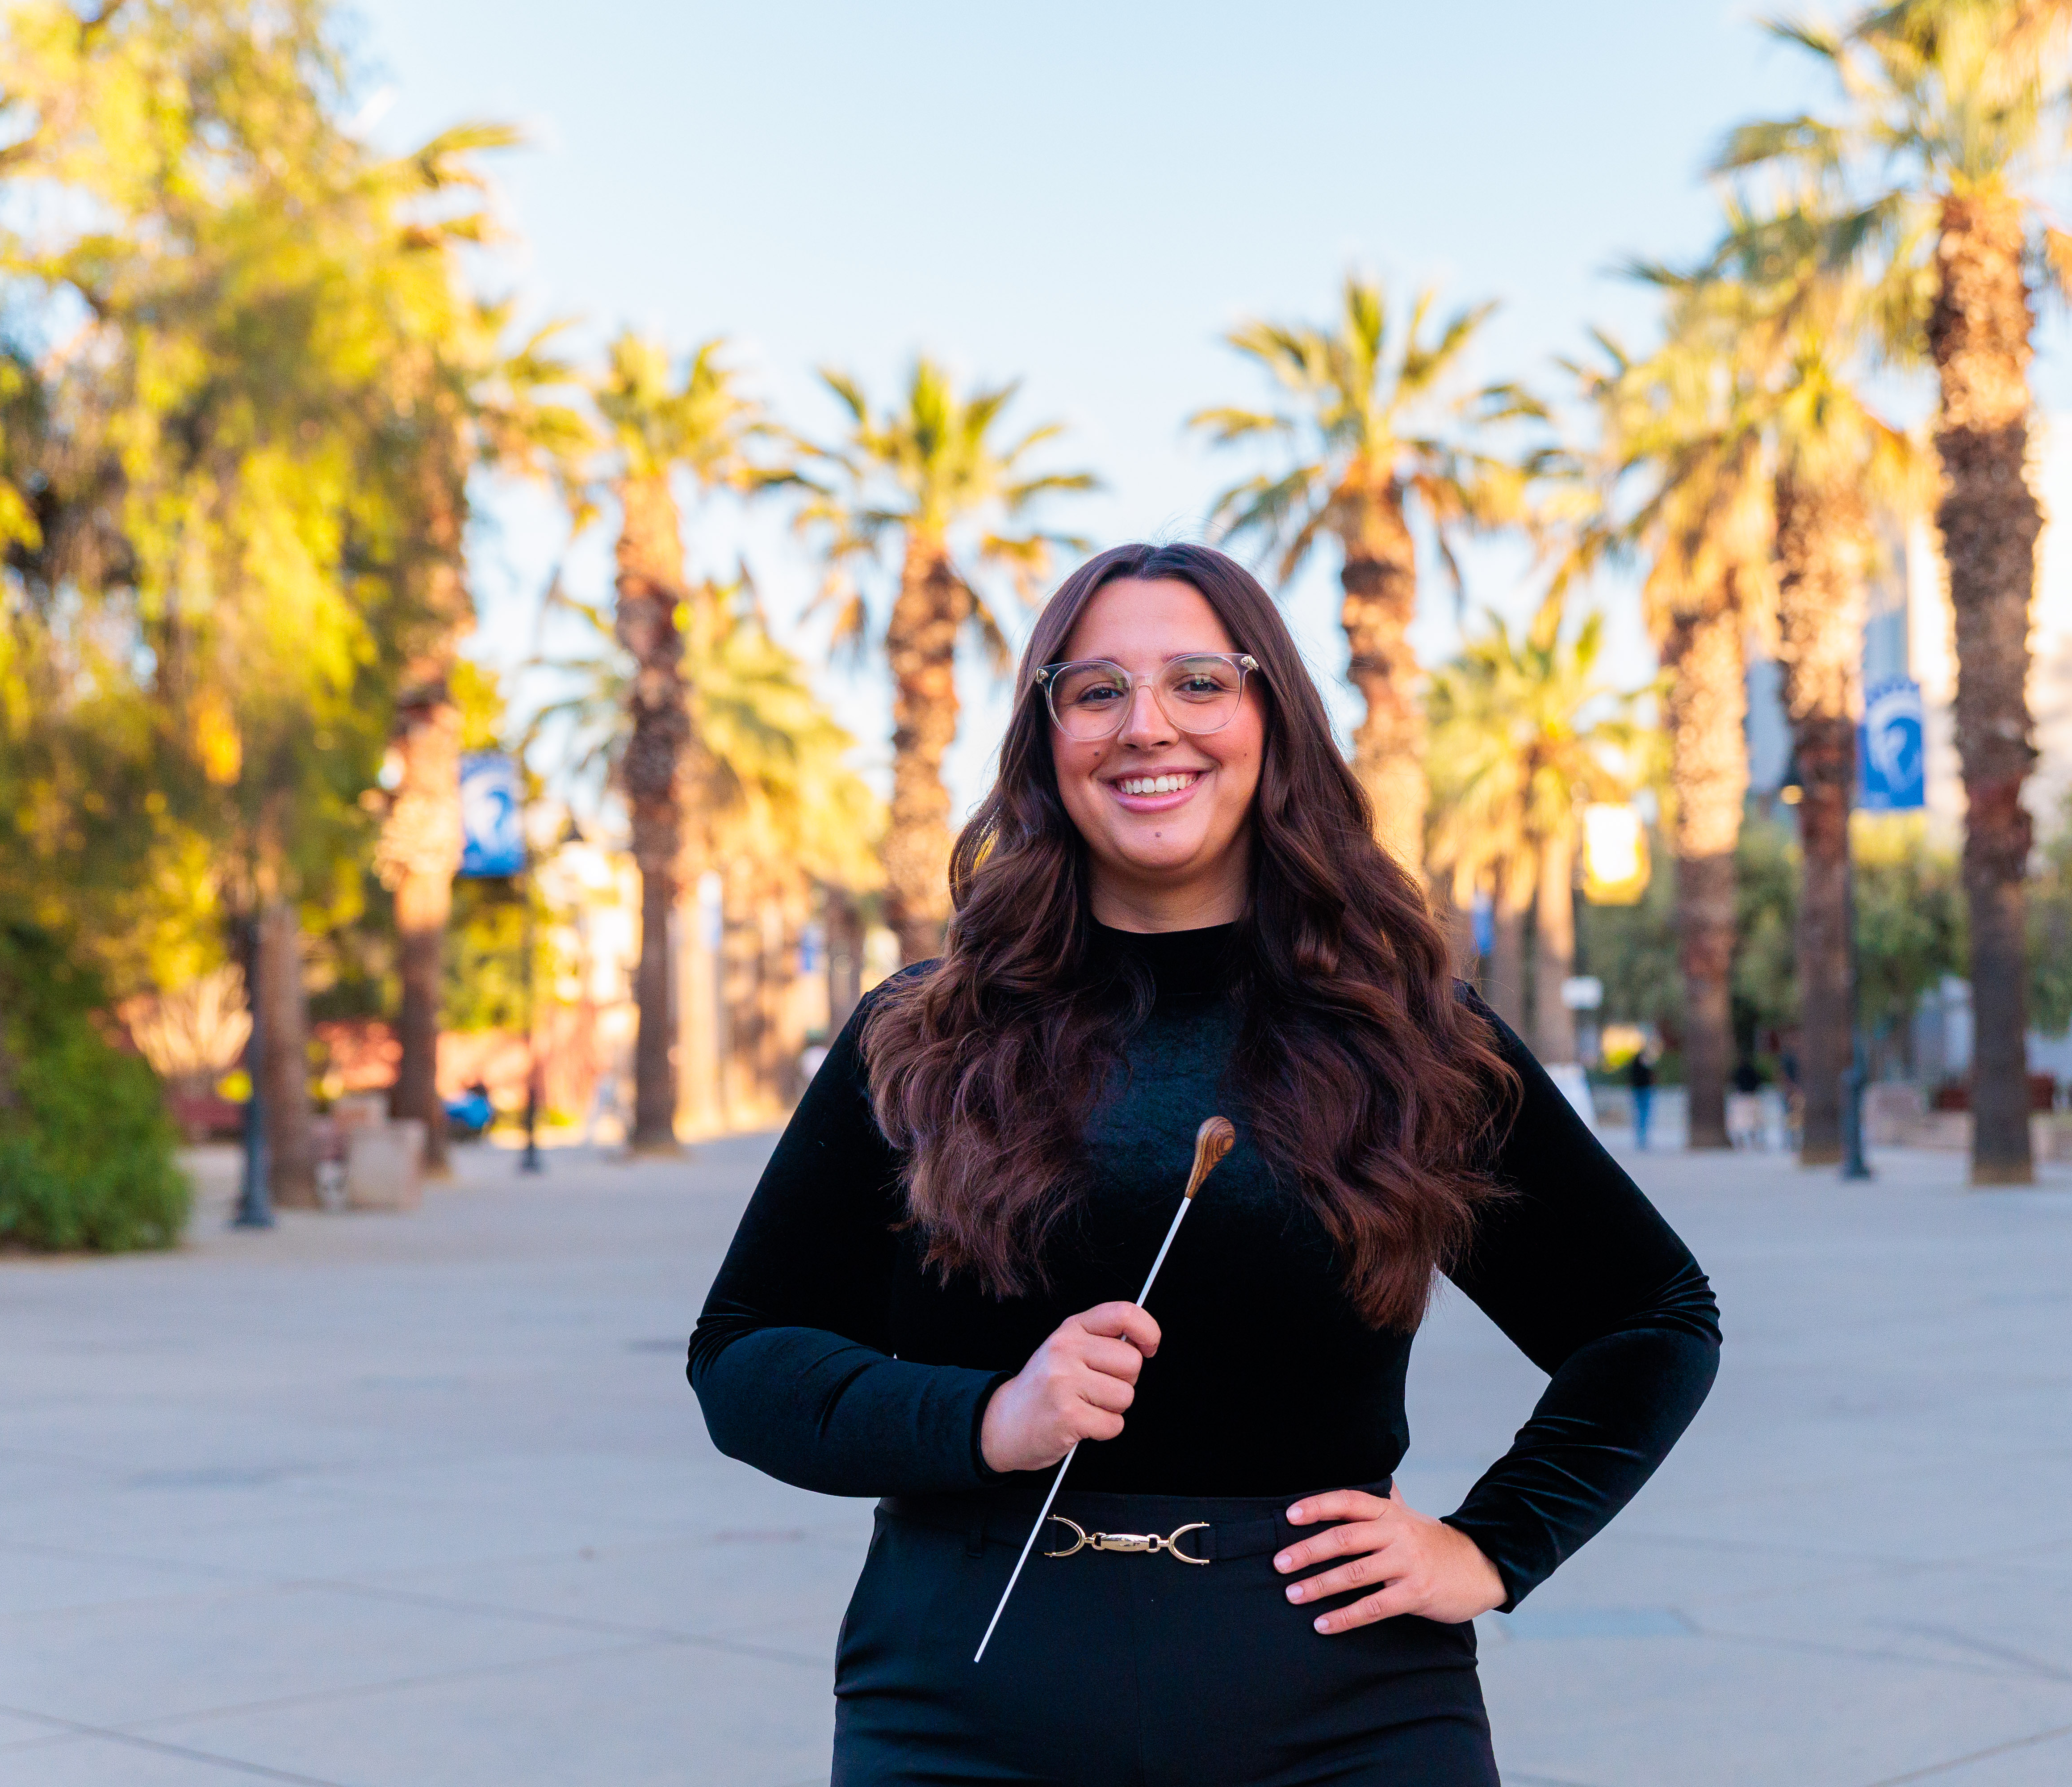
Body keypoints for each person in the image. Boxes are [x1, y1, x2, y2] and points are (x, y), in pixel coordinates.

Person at [689, 542, 1720, 1787]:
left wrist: (1496, 1545)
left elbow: (1654, 1317)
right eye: (1097, 690)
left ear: (1270, 718)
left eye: (1198, 682)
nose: (1147, 727)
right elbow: (744, 1355)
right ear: (1047, 736)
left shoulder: (1410, 1036)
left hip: (1344, 1707)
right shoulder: (923, 1031)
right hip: (965, 1700)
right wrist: (991, 1417)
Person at [1628, 1046, 1656, 1151]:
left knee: (1641, 1116)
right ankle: (1642, 1139)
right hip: (1643, 1092)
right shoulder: (1642, 1068)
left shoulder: (1637, 1067)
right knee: (1643, 1116)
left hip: (1641, 1092)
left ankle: (1642, 1139)